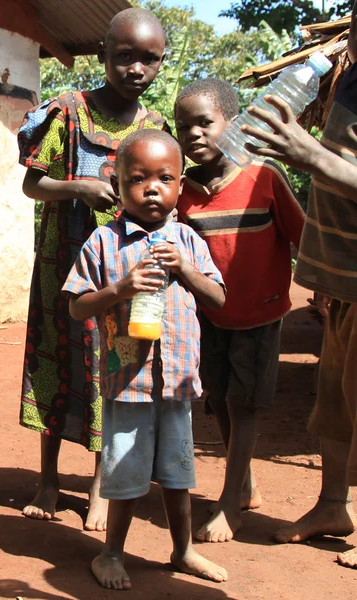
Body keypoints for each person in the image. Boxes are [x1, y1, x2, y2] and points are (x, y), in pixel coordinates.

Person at [18, 7, 169, 530]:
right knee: (58, 361)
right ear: (104, 55)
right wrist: (76, 187)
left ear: (160, 64)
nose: (135, 69)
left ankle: (102, 487)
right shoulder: (67, 111)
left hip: (124, 277)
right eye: (124, 56)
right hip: (64, 265)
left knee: (116, 370)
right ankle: (49, 478)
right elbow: (32, 183)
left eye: (149, 60)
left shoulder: (154, 129)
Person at [63, 129, 228, 589]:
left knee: (178, 474)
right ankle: (110, 554)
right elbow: (77, 305)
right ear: (116, 185)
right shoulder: (102, 242)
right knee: (126, 475)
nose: (152, 188)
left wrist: (186, 268)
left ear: (180, 186)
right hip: (127, 383)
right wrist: (121, 288)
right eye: (137, 179)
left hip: (175, 383)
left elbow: (216, 298)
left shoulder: (189, 242)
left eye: (165, 178)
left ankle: (183, 551)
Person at [240, 0, 357, 570]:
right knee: (334, 406)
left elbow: (332, 167)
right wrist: (325, 275)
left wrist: (310, 155)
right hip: (346, 282)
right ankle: (333, 505)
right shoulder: (349, 78)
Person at [174, 78, 305, 543]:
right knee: (221, 400)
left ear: (231, 122)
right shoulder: (183, 194)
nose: (193, 134)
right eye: (183, 125)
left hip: (260, 313)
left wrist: (325, 288)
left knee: (244, 405)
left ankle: (230, 506)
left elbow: (301, 235)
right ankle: (243, 482)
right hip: (210, 316)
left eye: (204, 122)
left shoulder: (263, 177)